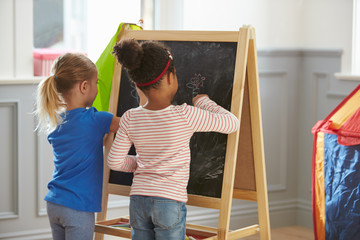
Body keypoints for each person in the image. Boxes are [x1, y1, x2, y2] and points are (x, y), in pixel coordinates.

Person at [107, 39, 240, 240]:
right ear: (171, 77)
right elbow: (232, 123)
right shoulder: (185, 115)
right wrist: (204, 102)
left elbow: (114, 161)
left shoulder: (129, 118)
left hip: (138, 200)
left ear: (137, 84)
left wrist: (141, 164)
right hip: (169, 202)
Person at [34, 53, 120, 240]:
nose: (97, 89)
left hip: (55, 202)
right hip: (78, 207)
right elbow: (131, 124)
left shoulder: (56, 121)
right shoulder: (96, 119)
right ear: (84, 86)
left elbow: (86, 141)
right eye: (96, 83)